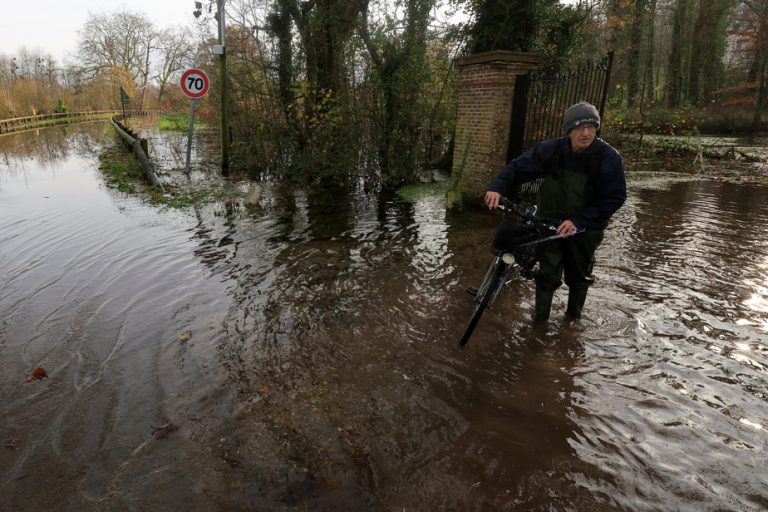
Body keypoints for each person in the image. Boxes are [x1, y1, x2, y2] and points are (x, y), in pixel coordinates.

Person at [484, 101, 627, 322]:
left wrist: (579, 221)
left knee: (579, 276)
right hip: (548, 225)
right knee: (547, 274)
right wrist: (497, 187)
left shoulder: (609, 157)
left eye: (591, 127)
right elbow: (518, 167)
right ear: (569, 130)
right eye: (580, 127)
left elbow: (615, 197)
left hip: (585, 230)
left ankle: (572, 321)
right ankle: (539, 325)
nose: (586, 133)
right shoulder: (552, 150)